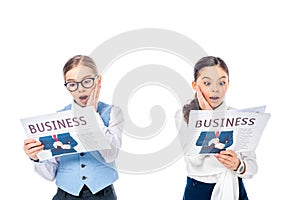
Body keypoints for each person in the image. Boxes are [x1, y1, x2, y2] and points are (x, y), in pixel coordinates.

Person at [23, 55, 123, 200]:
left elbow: (110, 155)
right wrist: (37, 158)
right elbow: (50, 174)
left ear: (98, 81)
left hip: (102, 194)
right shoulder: (58, 118)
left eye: (87, 81)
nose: (80, 89)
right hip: (65, 194)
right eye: (72, 84)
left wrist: (92, 115)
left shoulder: (112, 113)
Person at [175, 56, 257, 200]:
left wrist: (238, 165)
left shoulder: (238, 117)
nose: (215, 89)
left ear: (228, 84)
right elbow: (194, 160)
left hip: (234, 188)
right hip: (198, 190)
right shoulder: (184, 115)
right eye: (207, 83)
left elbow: (252, 167)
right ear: (195, 85)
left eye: (221, 82)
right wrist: (208, 115)